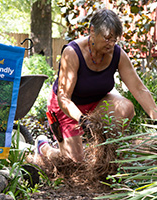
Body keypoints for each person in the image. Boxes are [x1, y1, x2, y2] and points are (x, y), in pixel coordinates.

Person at [35, 8, 157, 163]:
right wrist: (82, 120)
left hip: (96, 104)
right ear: (92, 31)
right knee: (74, 163)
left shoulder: (117, 54)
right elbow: (64, 99)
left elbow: (139, 89)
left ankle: (104, 154)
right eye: (107, 38)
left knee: (126, 107)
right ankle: (44, 147)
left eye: (115, 40)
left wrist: (156, 118)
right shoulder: (73, 53)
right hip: (67, 109)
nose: (111, 44)